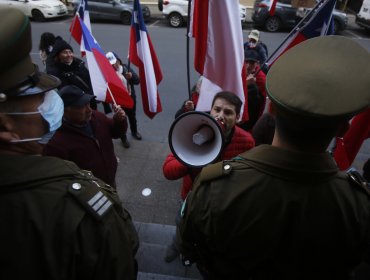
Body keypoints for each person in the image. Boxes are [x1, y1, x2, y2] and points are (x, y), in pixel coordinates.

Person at [177, 36, 370, 279]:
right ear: (343, 129)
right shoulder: (359, 207)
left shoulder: (215, 188)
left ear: (272, 109)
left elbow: (189, 245)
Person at [0, 8, 138, 280]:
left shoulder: (97, 118)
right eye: (35, 96)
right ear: (6, 126)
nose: (48, 103)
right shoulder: (73, 210)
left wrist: (120, 123)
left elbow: (113, 130)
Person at [163, 91, 255, 262]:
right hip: (192, 196)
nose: (220, 115)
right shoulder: (193, 126)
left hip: (222, 200)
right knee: (183, 224)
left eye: (228, 112)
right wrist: (191, 156)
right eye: (217, 109)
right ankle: (178, 248)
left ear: (237, 117)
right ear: (210, 110)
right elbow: (168, 171)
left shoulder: (247, 141)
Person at [43, 85, 127, 188]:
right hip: (88, 190)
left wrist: (119, 121)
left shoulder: (98, 117)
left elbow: (116, 133)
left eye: (88, 103)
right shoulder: (56, 142)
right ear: (65, 110)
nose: (89, 110)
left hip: (109, 179)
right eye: (81, 106)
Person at [46, 37, 97, 109]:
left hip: (90, 100)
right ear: (58, 56)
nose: (69, 55)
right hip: (76, 106)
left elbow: (90, 80)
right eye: (65, 52)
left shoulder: (80, 65)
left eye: (70, 52)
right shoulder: (57, 72)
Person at [106, 51, 141, 148]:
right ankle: (123, 138)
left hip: (130, 98)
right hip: (118, 101)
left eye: (116, 62)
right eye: (112, 64)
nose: (115, 65)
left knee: (132, 117)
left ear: (119, 60)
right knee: (121, 119)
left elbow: (137, 81)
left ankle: (134, 132)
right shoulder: (108, 73)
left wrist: (131, 77)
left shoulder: (126, 68)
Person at [238, 49, 265, 132]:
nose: (248, 66)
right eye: (246, 62)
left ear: (257, 64)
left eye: (252, 63)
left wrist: (251, 86)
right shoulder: (239, 73)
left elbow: (258, 105)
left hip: (250, 121)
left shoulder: (261, 80)